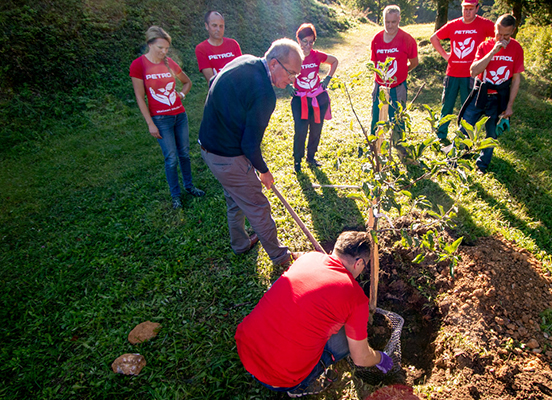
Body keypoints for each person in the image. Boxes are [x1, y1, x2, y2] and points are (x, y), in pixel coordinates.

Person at [235, 231, 394, 398]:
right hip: (279, 378)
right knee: (347, 342)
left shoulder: (309, 258)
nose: (363, 269)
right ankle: (298, 388)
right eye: (365, 265)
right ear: (359, 262)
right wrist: (379, 358)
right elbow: (360, 358)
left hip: (245, 347)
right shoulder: (356, 298)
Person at [198, 39, 303, 266]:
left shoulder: (245, 60)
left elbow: (214, 81)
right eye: (290, 73)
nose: (292, 81)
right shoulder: (265, 95)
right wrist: (264, 172)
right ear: (274, 63)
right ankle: (280, 257)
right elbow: (250, 145)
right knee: (257, 205)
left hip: (208, 147)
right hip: (227, 156)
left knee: (235, 197)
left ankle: (240, 244)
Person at [130, 26, 205, 209]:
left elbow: (187, 82)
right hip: (160, 119)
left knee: (185, 154)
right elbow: (140, 96)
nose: (164, 52)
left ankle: (189, 186)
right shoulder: (139, 65)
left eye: (166, 49)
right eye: (160, 48)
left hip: (179, 115)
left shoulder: (169, 63)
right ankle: (175, 196)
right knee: (171, 157)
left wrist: (181, 95)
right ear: (149, 44)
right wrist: (150, 123)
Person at [457, 14, 524, 174]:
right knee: (464, 126)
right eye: (498, 34)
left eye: (506, 35)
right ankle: (455, 160)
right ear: (495, 29)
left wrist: (509, 107)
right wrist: (494, 51)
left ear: (513, 31)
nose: (501, 38)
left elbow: (516, 80)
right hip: (481, 92)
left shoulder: (516, 48)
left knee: (491, 134)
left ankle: (482, 166)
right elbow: (474, 71)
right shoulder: (485, 46)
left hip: (499, 97)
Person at [430, 0, 494, 142]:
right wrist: (446, 56)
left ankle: (464, 138)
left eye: (471, 9)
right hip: (452, 73)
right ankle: (441, 136)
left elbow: (499, 36)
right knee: (447, 106)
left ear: (477, 9)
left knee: (468, 109)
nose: (467, 12)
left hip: (471, 75)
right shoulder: (454, 24)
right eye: (465, 9)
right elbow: (434, 38)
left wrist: (488, 57)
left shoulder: (484, 24)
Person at [286, 23, 339, 173]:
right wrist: (287, 85)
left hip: (317, 98)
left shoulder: (316, 55)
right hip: (300, 100)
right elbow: (279, 69)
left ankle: (311, 157)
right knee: (301, 130)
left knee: (316, 129)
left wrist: (328, 78)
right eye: (304, 41)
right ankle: (297, 160)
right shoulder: (292, 56)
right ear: (298, 40)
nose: (307, 46)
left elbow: (334, 61)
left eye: (311, 42)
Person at [370, 5, 419, 150]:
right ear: (383, 20)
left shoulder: (407, 39)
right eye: (387, 22)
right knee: (376, 116)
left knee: (397, 117)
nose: (390, 26)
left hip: (398, 87)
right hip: (380, 86)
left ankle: (399, 146)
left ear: (399, 20)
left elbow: (414, 62)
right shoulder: (377, 39)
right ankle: (375, 146)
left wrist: (402, 73)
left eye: (393, 22)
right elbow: (375, 63)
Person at [195, 11, 243, 82]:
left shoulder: (233, 44)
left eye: (221, 26)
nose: (218, 29)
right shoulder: (201, 49)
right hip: (219, 90)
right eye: (214, 26)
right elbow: (211, 80)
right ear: (206, 26)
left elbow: (241, 70)